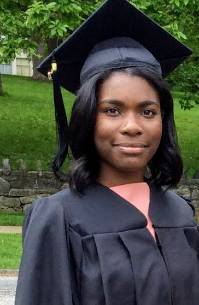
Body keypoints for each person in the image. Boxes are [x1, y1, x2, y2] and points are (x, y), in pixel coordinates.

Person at [15, 0, 199, 305]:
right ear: (87, 118)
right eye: (112, 110)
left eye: (148, 112)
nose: (132, 126)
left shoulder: (179, 211)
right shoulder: (59, 217)